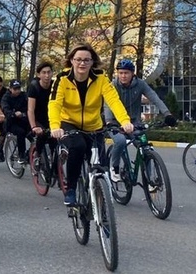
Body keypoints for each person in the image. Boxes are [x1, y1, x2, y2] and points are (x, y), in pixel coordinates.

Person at [48, 43, 133, 206]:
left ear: (92, 62)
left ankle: (101, 198)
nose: (82, 63)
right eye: (78, 59)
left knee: (100, 164)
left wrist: (125, 121)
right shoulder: (62, 79)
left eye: (87, 60)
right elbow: (54, 103)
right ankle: (71, 189)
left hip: (94, 125)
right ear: (71, 60)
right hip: (69, 123)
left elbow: (114, 100)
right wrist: (55, 126)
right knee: (78, 147)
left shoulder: (101, 78)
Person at [103, 59, 177, 182]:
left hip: (135, 123)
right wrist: (109, 121)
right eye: (120, 73)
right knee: (120, 141)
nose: (123, 76)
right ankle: (114, 167)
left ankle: (150, 180)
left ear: (132, 73)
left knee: (144, 146)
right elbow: (108, 104)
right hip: (115, 123)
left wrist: (167, 114)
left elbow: (155, 98)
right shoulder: (113, 85)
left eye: (126, 73)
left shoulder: (140, 84)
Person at [27, 61, 56, 167]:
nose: (47, 75)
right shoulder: (34, 87)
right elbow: (30, 109)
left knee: (55, 141)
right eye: (44, 72)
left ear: (52, 73)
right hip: (37, 117)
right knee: (42, 135)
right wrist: (34, 126)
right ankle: (38, 156)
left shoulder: (55, 86)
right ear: (39, 75)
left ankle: (56, 166)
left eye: (49, 72)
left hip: (51, 116)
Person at [1, 80, 30, 164]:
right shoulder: (6, 97)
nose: (17, 91)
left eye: (18, 88)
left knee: (33, 133)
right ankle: (21, 155)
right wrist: (13, 114)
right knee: (21, 132)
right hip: (11, 123)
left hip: (23, 121)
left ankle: (33, 152)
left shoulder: (24, 95)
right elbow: (5, 108)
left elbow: (30, 104)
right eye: (15, 89)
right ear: (10, 89)